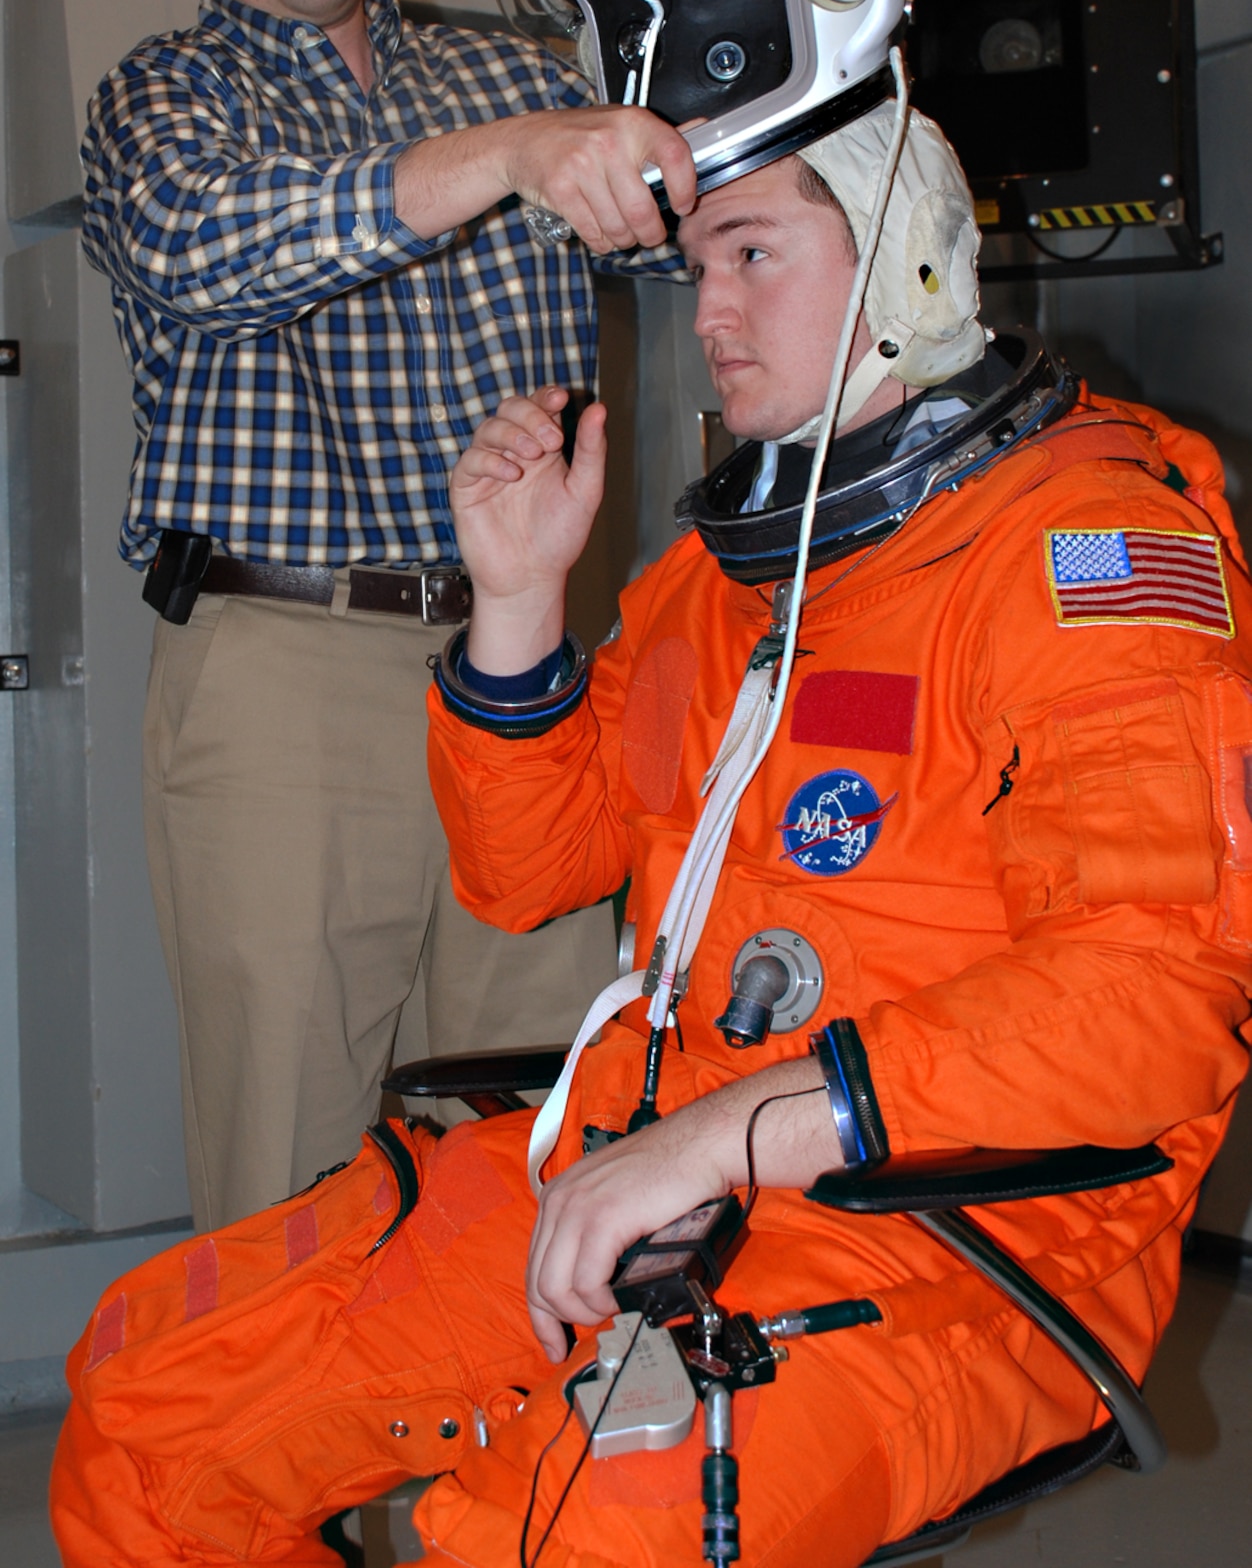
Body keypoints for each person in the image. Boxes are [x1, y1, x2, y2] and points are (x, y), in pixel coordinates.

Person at [52, 103, 1252, 1568]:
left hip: (953, 1229)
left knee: (556, 1535)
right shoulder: (717, 574)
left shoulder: (1089, 551)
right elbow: (524, 875)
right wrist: (514, 603)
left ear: (911, 266)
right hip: (637, 1165)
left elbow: (1152, 1002)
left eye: (754, 252)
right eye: (696, 267)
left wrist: (727, 1134)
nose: (714, 312)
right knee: (151, 1406)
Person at [82, 0, 698, 1231]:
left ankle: (502, 1475)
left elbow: (705, 216)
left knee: (533, 1120)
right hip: (285, 666)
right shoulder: (163, 105)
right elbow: (204, 246)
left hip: (528, 663)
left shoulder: (516, 74)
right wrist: (511, 156)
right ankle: (298, 1477)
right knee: (290, 1155)